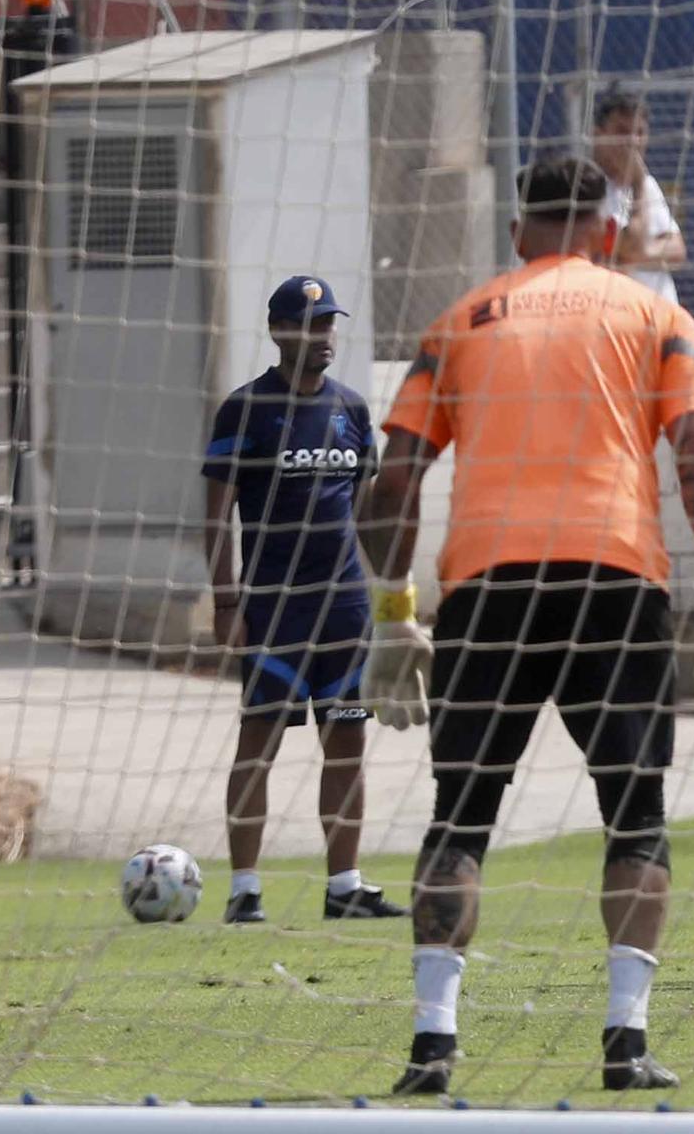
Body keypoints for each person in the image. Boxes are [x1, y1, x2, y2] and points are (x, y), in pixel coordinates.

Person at [362, 157, 694, 1096]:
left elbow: (394, 482)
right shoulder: (654, 314)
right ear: (606, 233)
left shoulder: (460, 321)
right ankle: (625, 1041)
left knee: (459, 818)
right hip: (617, 583)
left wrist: (393, 618)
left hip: (487, 587)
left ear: (518, 234)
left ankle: (433, 1042)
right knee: (637, 817)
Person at [201, 275, 406, 926]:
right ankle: (244, 890)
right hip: (275, 609)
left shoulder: (351, 408)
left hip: (345, 607)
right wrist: (226, 602)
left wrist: (396, 608)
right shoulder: (246, 409)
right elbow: (217, 515)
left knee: (346, 740)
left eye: (328, 326)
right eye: (308, 326)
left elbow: (369, 514)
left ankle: (344, 885)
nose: (321, 338)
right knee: (258, 743)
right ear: (278, 331)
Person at [591, 91, 688, 303]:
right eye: (622, 132)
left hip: (662, 312)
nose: (632, 142)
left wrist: (636, 255)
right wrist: (637, 184)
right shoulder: (586, 186)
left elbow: (677, 250)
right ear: (599, 134)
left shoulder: (647, 184)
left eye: (640, 133)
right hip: (618, 315)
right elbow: (630, 245)